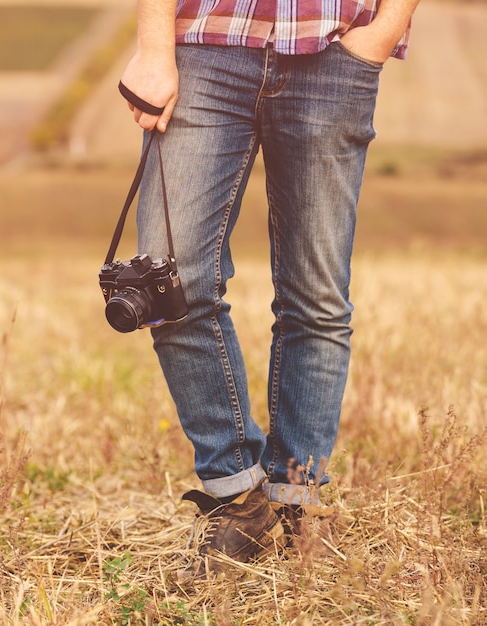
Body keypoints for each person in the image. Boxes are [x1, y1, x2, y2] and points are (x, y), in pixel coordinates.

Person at [119, 0, 421, 578]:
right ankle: (235, 493)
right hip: (205, 45)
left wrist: (382, 32)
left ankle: (293, 500)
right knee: (166, 282)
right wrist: (155, 50)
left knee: (317, 299)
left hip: (334, 53)